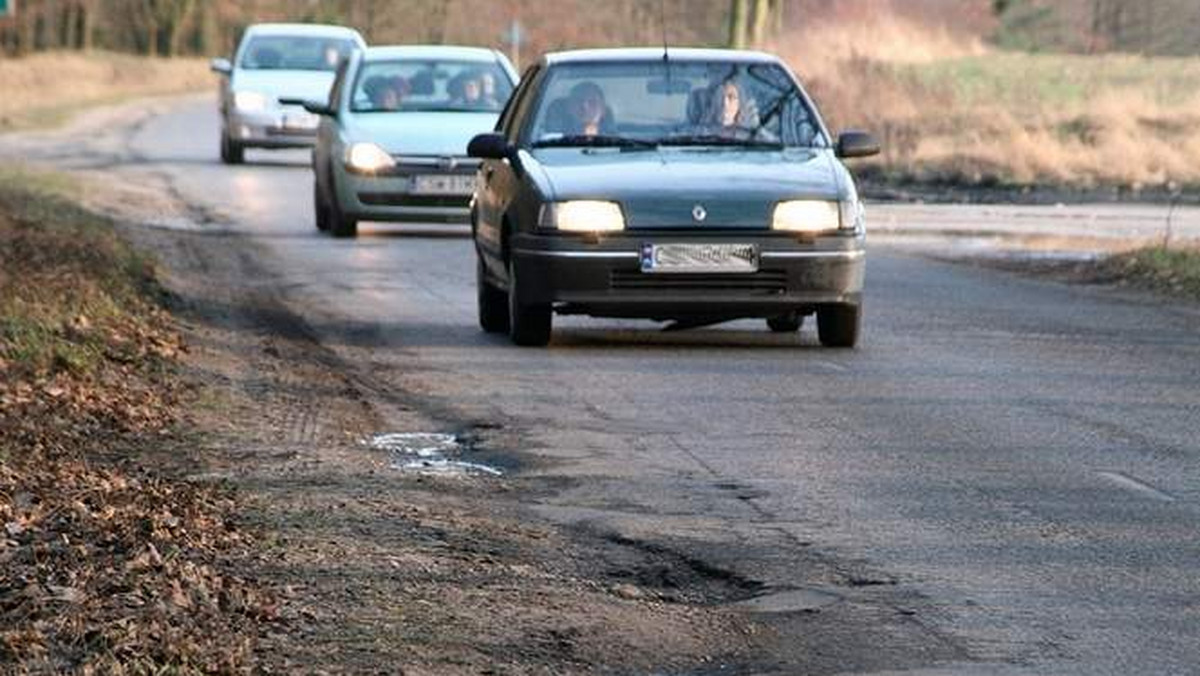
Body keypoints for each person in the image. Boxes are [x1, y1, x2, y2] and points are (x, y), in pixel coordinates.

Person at [545, 81, 614, 137]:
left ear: (603, 110)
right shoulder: (554, 141)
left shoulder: (617, 145)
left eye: (592, 102)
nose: (585, 107)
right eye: (579, 100)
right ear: (569, 107)